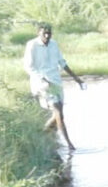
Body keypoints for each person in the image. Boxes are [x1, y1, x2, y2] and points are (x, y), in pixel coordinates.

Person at [22, 23, 84, 151]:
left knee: (58, 116)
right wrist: (42, 79)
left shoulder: (53, 44)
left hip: (55, 82)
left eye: (49, 33)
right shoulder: (32, 45)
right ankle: (70, 145)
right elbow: (29, 67)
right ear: (38, 32)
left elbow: (62, 62)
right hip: (43, 84)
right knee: (58, 113)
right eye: (44, 32)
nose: (47, 35)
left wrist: (76, 78)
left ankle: (42, 136)